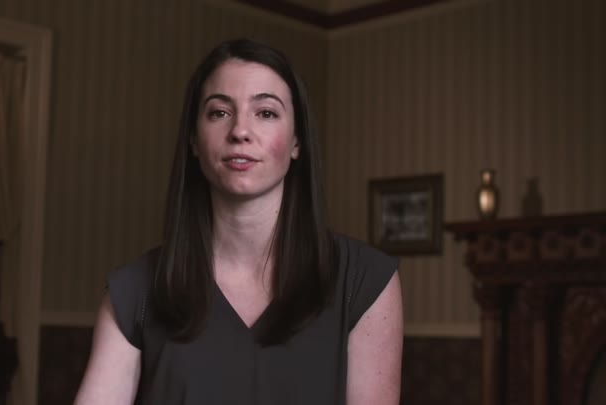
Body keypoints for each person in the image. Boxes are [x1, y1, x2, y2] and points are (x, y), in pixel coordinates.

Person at [75, 38, 403, 405]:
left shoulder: (364, 281)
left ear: (297, 141)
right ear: (193, 140)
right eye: (219, 113)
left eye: (266, 113)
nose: (240, 131)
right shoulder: (134, 290)